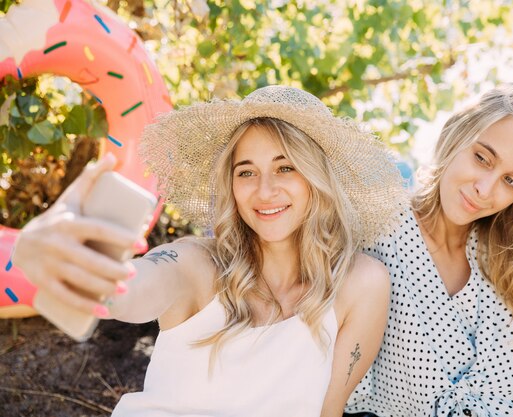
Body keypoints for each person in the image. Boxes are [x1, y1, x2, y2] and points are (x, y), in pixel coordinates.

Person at [13, 86, 408, 417]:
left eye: (286, 168)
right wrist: (69, 263)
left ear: (318, 180)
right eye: (246, 172)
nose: (264, 190)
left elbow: (327, 411)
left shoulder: (361, 284)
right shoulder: (201, 264)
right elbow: (132, 288)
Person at [343, 82, 513, 417]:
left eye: (511, 181)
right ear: (455, 135)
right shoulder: (375, 238)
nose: (484, 190)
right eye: (482, 158)